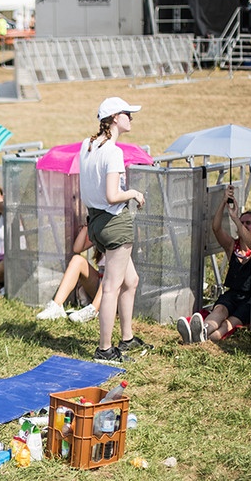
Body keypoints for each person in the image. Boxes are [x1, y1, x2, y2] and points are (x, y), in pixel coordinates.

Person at [79, 97, 150, 363]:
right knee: (111, 288)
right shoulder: (114, 151)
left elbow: (89, 190)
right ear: (115, 117)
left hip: (95, 222)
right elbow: (112, 195)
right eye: (128, 113)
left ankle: (127, 338)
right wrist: (133, 193)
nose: (132, 117)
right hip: (114, 223)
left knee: (131, 281)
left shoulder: (87, 146)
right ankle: (105, 349)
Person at [177, 185, 251, 343]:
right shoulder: (233, 246)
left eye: (248, 223)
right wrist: (224, 203)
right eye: (242, 222)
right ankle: (203, 331)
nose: (244, 225)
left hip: (250, 299)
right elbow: (216, 228)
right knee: (219, 310)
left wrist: (236, 221)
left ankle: (200, 339)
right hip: (232, 294)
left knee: (229, 323)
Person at [36, 223, 104, 323]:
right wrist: (87, 226)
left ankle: (93, 310)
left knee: (111, 271)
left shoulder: (120, 228)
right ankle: (56, 305)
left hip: (116, 284)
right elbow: (77, 248)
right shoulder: (101, 227)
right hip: (100, 281)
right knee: (77, 260)